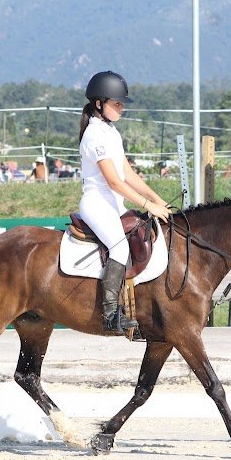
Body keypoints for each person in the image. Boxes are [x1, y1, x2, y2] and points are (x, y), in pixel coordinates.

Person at [77, 70, 170, 335]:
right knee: (119, 248)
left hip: (113, 203)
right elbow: (115, 182)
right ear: (99, 103)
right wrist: (147, 205)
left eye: (121, 104)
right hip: (96, 203)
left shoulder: (110, 132)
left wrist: (158, 200)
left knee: (141, 237)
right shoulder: (94, 135)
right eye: (116, 103)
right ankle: (109, 314)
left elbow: (129, 174)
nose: (121, 108)